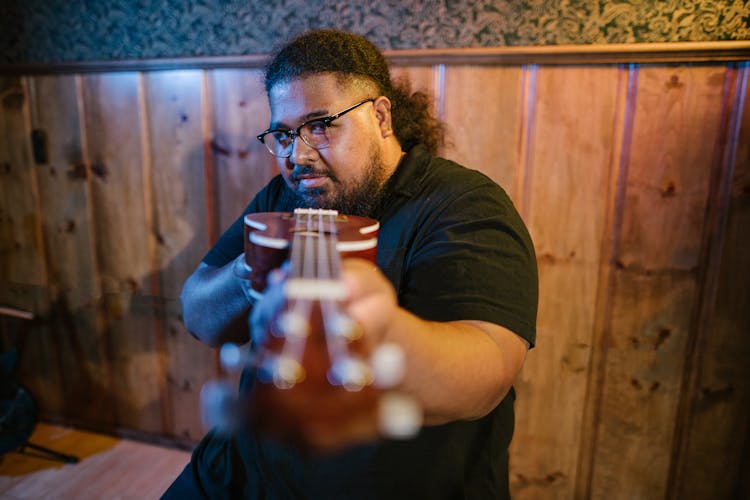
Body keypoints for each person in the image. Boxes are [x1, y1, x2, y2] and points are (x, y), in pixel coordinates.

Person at [164, 29, 537, 499]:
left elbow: (488, 372)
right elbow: (198, 312)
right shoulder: (285, 195)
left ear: (381, 117)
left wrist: (381, 333)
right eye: (283, 134)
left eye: (321, 125)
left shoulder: (462, 204)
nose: (297, 156)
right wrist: (248, 275)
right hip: (247, 467)